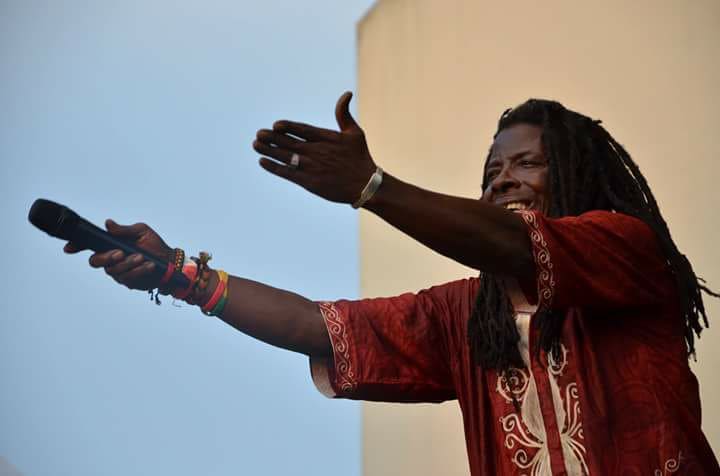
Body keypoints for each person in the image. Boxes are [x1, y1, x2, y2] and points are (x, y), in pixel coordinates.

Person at [64, 93, 719, 475]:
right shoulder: (467, 317)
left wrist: (372, 188)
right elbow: (317, 327)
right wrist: (182, 275)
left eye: (528, 163)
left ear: (577, 174)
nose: (503, 181)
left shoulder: (623, 247)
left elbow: (516, 244)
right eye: (491, 173)